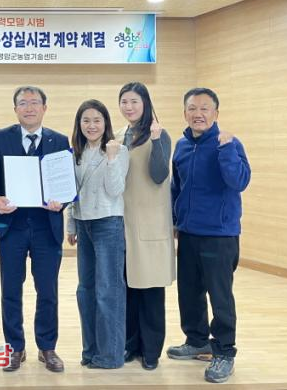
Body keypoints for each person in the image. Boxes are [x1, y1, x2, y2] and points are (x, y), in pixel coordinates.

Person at [166, 87, 251, 384]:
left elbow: (239, 181)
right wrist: (175, 220)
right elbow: (176, 187)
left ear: (215, 113)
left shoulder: (229, 143)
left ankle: (224, 351)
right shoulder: (181, 146)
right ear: (184, 112)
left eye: (204, 108)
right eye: (192, 108)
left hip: (220, 234)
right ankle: (197, 340)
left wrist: (226, 150)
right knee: (189, 291)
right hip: (188, 232)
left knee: (220, 296)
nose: (198, 114)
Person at [0, 86, 70, 373]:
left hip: (47, 227)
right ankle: (15, 347)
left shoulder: (60, 141)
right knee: (11, 289)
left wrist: (63, 200)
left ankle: (47, 347)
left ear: (45, 108)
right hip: (11, 226)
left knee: (47, 290)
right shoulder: (1, 138)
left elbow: (68, 182)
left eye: (35, 103)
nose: (29, 108)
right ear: (15, 109)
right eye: (23, 103)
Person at [116, 82, 175, 370]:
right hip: (123, 224)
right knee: (129, 289)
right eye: (124, 102)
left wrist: (155, 140)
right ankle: (131, 345)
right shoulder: (117, 136)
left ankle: (151, 351)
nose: (129, 107)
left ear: (145, 104)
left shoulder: (159, 134)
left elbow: (159, 174)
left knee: (150, 290)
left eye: (134, 102)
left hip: (150, 225)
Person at [67, 99, 129, 369]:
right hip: (84, 224)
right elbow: (72, 192)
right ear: (79, 124)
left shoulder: (118, 150)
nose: (91, 126)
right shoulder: (76, 153)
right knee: (86, 291)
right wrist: (71, 224)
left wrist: (112, 159)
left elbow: (115, 190)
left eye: (97, 120)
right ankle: (90, 350)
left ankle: (111, 355)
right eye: (86, 121)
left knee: (108, 291)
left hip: (108, 224)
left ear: (106, 123)